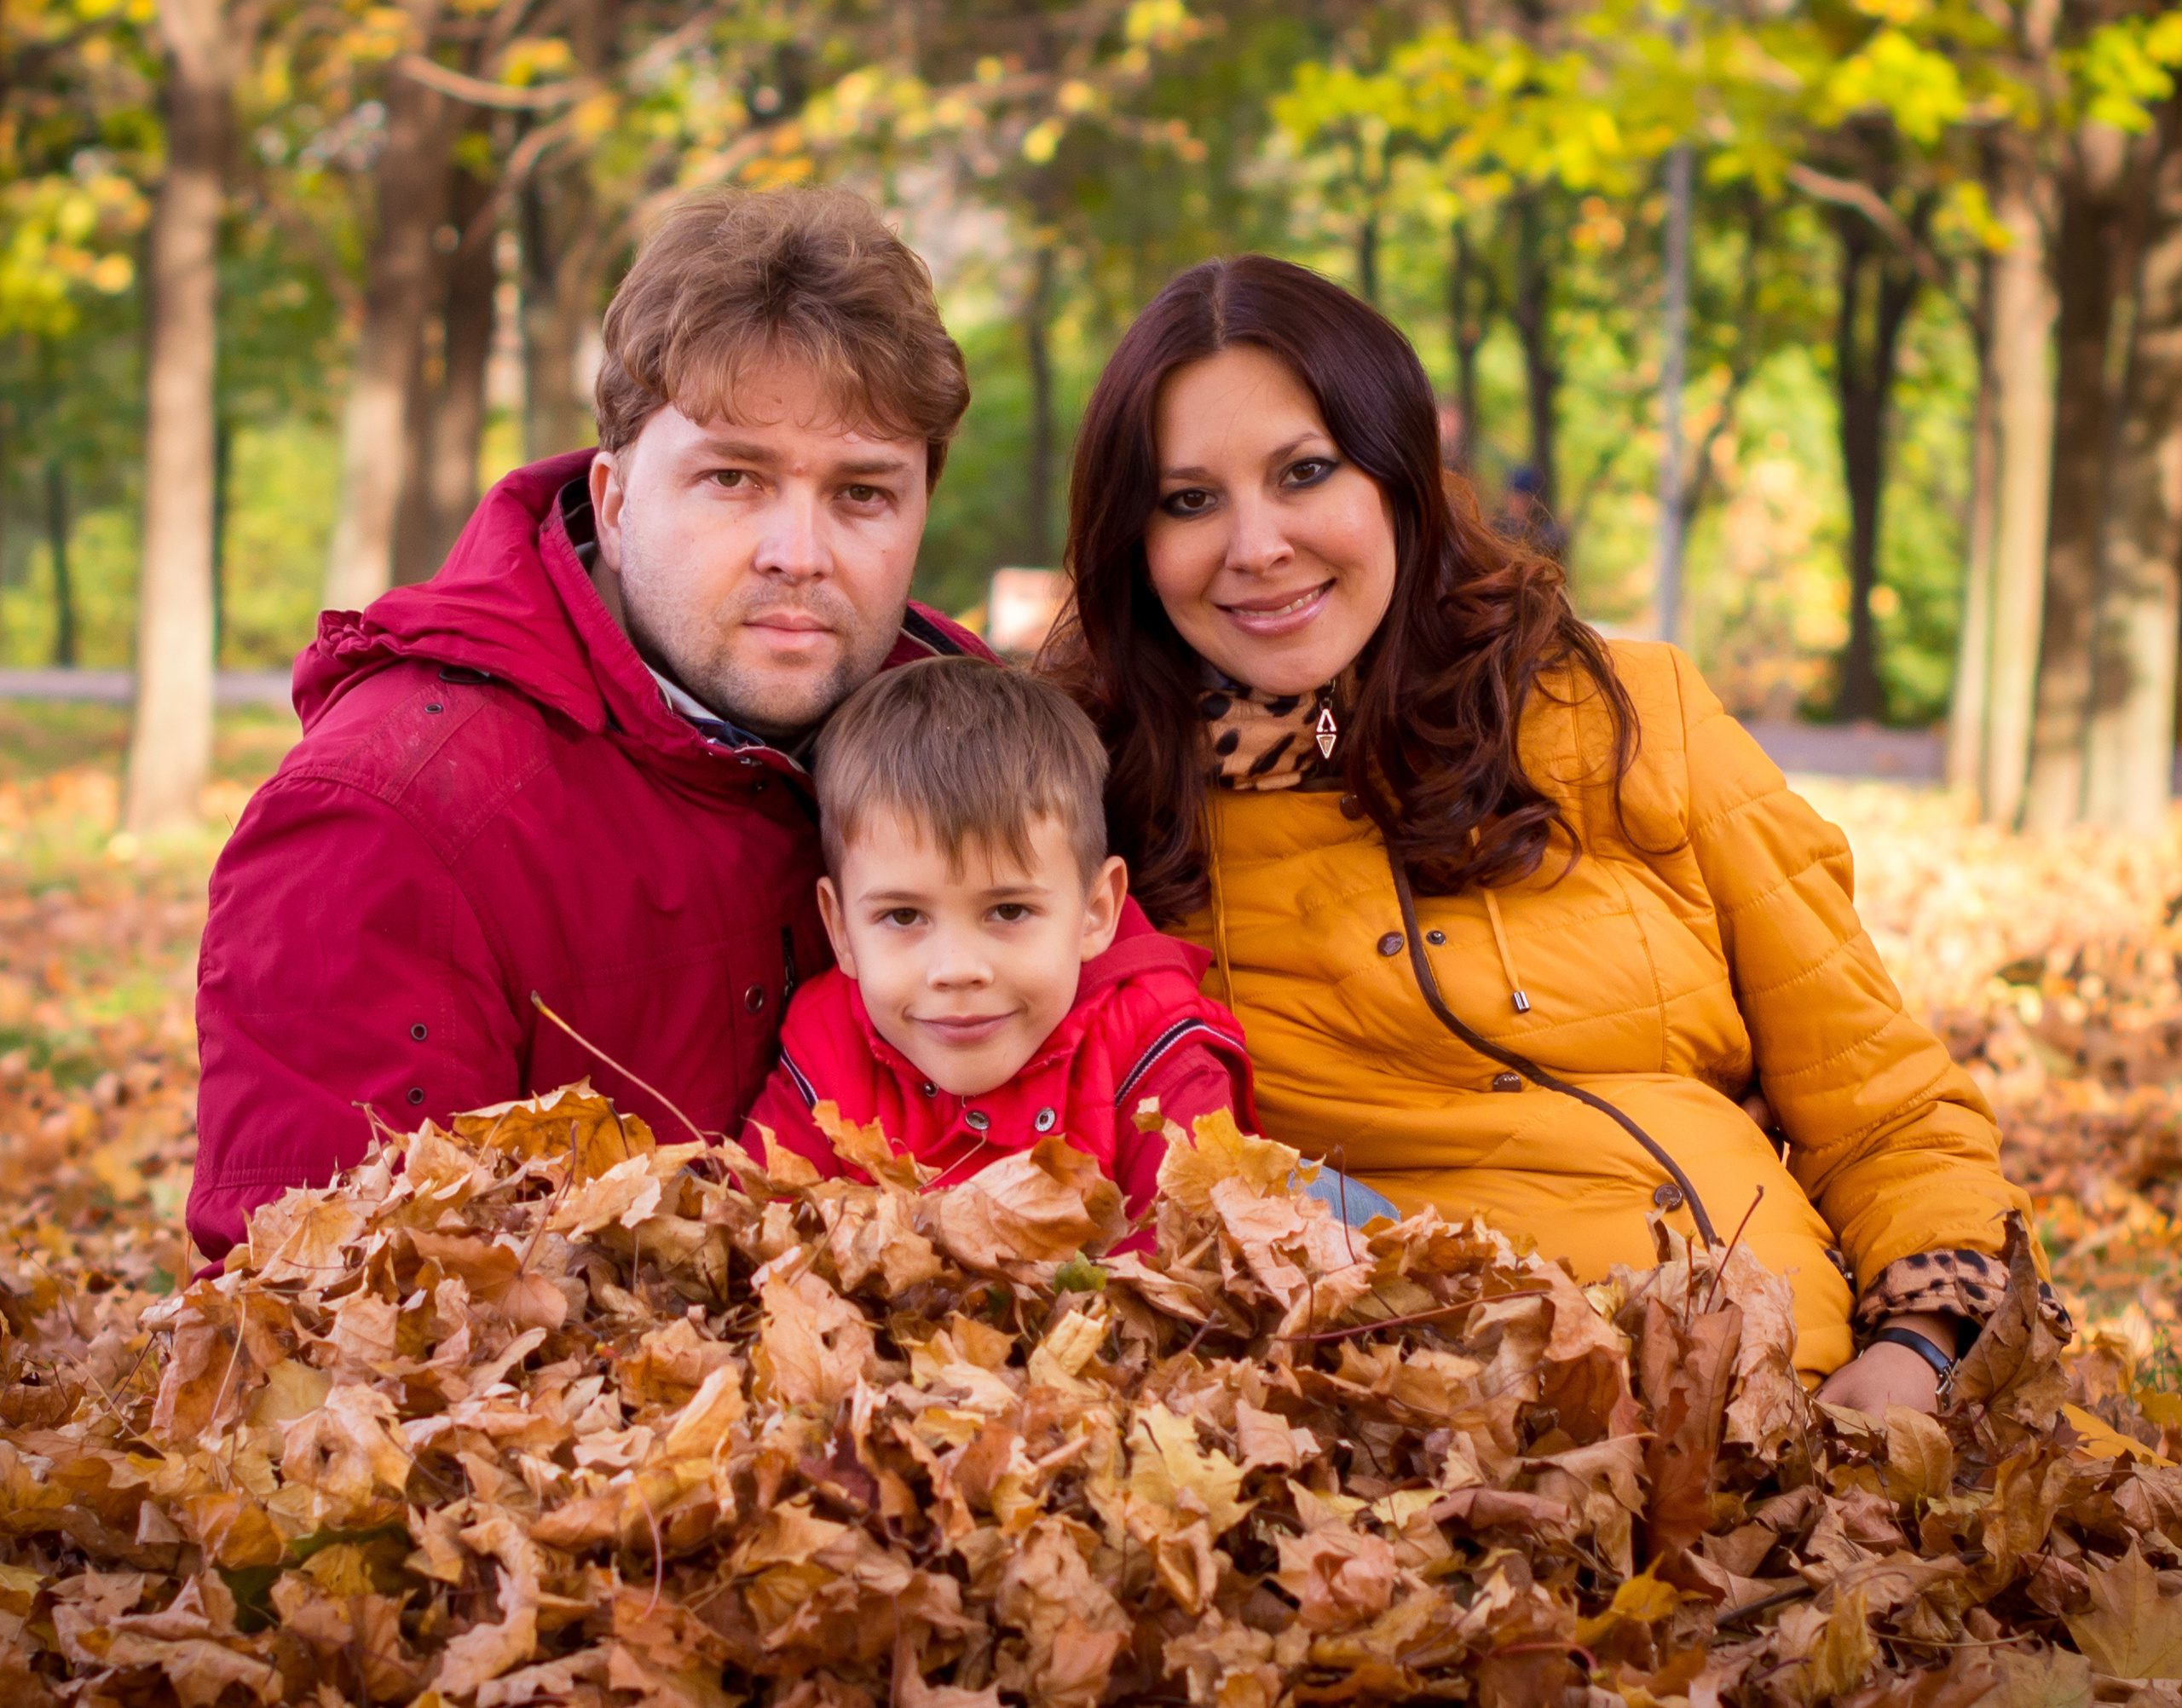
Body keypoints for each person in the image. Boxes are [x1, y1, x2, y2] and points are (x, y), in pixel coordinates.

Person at [1045, 253, 2064, 1415]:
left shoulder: (1628, 717)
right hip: (1427, 1448)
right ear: (1134, 542)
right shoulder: (1095, 811)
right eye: (1189, 501)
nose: (1256, 543)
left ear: (1399, 480)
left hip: (1808, 1395)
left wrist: (1921, 1346)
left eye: (1305, 472)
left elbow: (1884, 1103)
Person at [188, 187, 986, 1261]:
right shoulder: (387, 817)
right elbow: (325, 1345)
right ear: (614, 500)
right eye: (733, 478)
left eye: (861, 495)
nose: (799, 552)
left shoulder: (970, 728)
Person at [739, 655, 1257, 1220]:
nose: (958, 969)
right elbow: (761, 1236)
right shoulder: (828, 1045)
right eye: (904, 917)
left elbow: (1193, 1261)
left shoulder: (1155, 1051)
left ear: (1096, 910)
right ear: (840, 929)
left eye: (1008, 910)